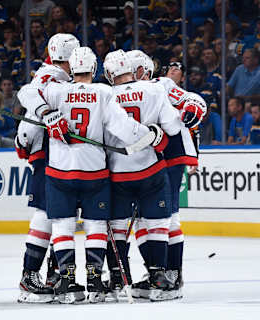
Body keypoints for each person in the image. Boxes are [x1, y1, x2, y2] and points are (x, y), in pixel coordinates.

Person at [39, 47, 165, 304]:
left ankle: (69, 284)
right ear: (95, 69)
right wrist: (149, 137)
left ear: (71, 69)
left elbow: (27, 92)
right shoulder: (104, 92)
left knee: (63, 225)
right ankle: (95, 283)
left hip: (59, 170)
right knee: (95, 225)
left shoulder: (55, 90)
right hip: (93, 171)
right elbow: (124, 128)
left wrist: (45, 112)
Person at [104, 49, 182, 302]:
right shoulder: (154, 90)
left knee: (117, 226)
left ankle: (118, 277)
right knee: (157, 224)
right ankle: (158, 276)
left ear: (107, 73)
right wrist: (155, 133)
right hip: (151, 170)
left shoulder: (105, 95)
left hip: (118, 173)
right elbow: (173, 126)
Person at [128, 53, 206, 300]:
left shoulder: (161, 85)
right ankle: (155, 272)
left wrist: (193, 108)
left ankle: (172, 273)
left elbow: (193, 101)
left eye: (133, 69)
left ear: (145, 70)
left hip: (169, 158)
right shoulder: (120, 90)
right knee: (140, 218)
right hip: (142, 161)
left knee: (168, 215)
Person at [16, 33, 80, 304]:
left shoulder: (60, 78)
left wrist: (24, 140)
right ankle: (29, 277)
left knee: (60, 215)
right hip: (48, 154)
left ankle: (54, 273)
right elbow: (30, 102)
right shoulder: (49, 77)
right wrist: (26, 137)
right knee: (46, 213)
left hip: (60, 155)